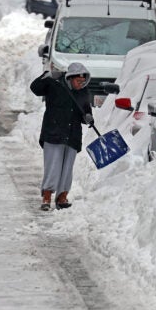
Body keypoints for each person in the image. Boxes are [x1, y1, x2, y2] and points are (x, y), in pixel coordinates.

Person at [30, 62, 94, 211]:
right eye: (78, 81)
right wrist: (46, 77)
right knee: (52, 166)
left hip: (72, 135)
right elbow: (35, 89)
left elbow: (85, 111)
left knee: (67, 168)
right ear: (70, 78)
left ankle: (62, 197)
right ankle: (46, 197)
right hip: (53, 133)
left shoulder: (83, 92)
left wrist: (89, 117)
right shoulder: (54, 86)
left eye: (83, 81)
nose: (81, 84)